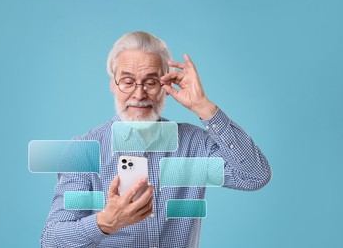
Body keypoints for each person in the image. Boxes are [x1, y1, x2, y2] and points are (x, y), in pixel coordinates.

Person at [41, 31, 271, 248]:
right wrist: (105, 223)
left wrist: (204, 107)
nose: (139, 95)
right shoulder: (83, 151)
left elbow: (254, 176)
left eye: (150, 82)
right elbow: (51, 241)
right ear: (113, 84)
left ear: (166, 85)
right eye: (128, 81)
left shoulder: (194, 145)